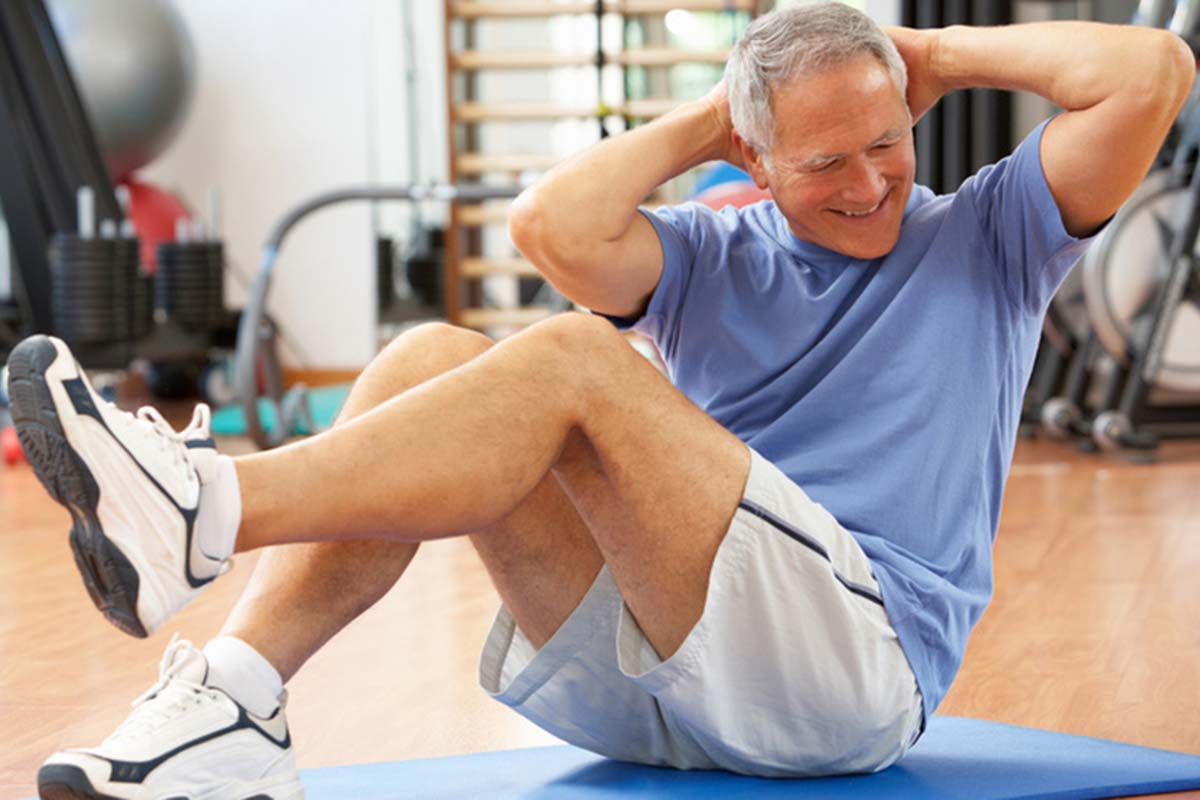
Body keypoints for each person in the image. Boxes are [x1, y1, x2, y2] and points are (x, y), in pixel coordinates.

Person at [8, 4, 1193, 798]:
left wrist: (929, 58)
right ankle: (234, 703)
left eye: (887, 143)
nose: (871, 181)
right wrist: (713, 116)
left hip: (846, 675)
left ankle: (203, 506)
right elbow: (547, 225)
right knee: (430, 355)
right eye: (824, 160)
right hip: (655, 682)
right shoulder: (709, 259)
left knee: (573, 361)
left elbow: (1156, 71)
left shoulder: (991, 232)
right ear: (757, 160)